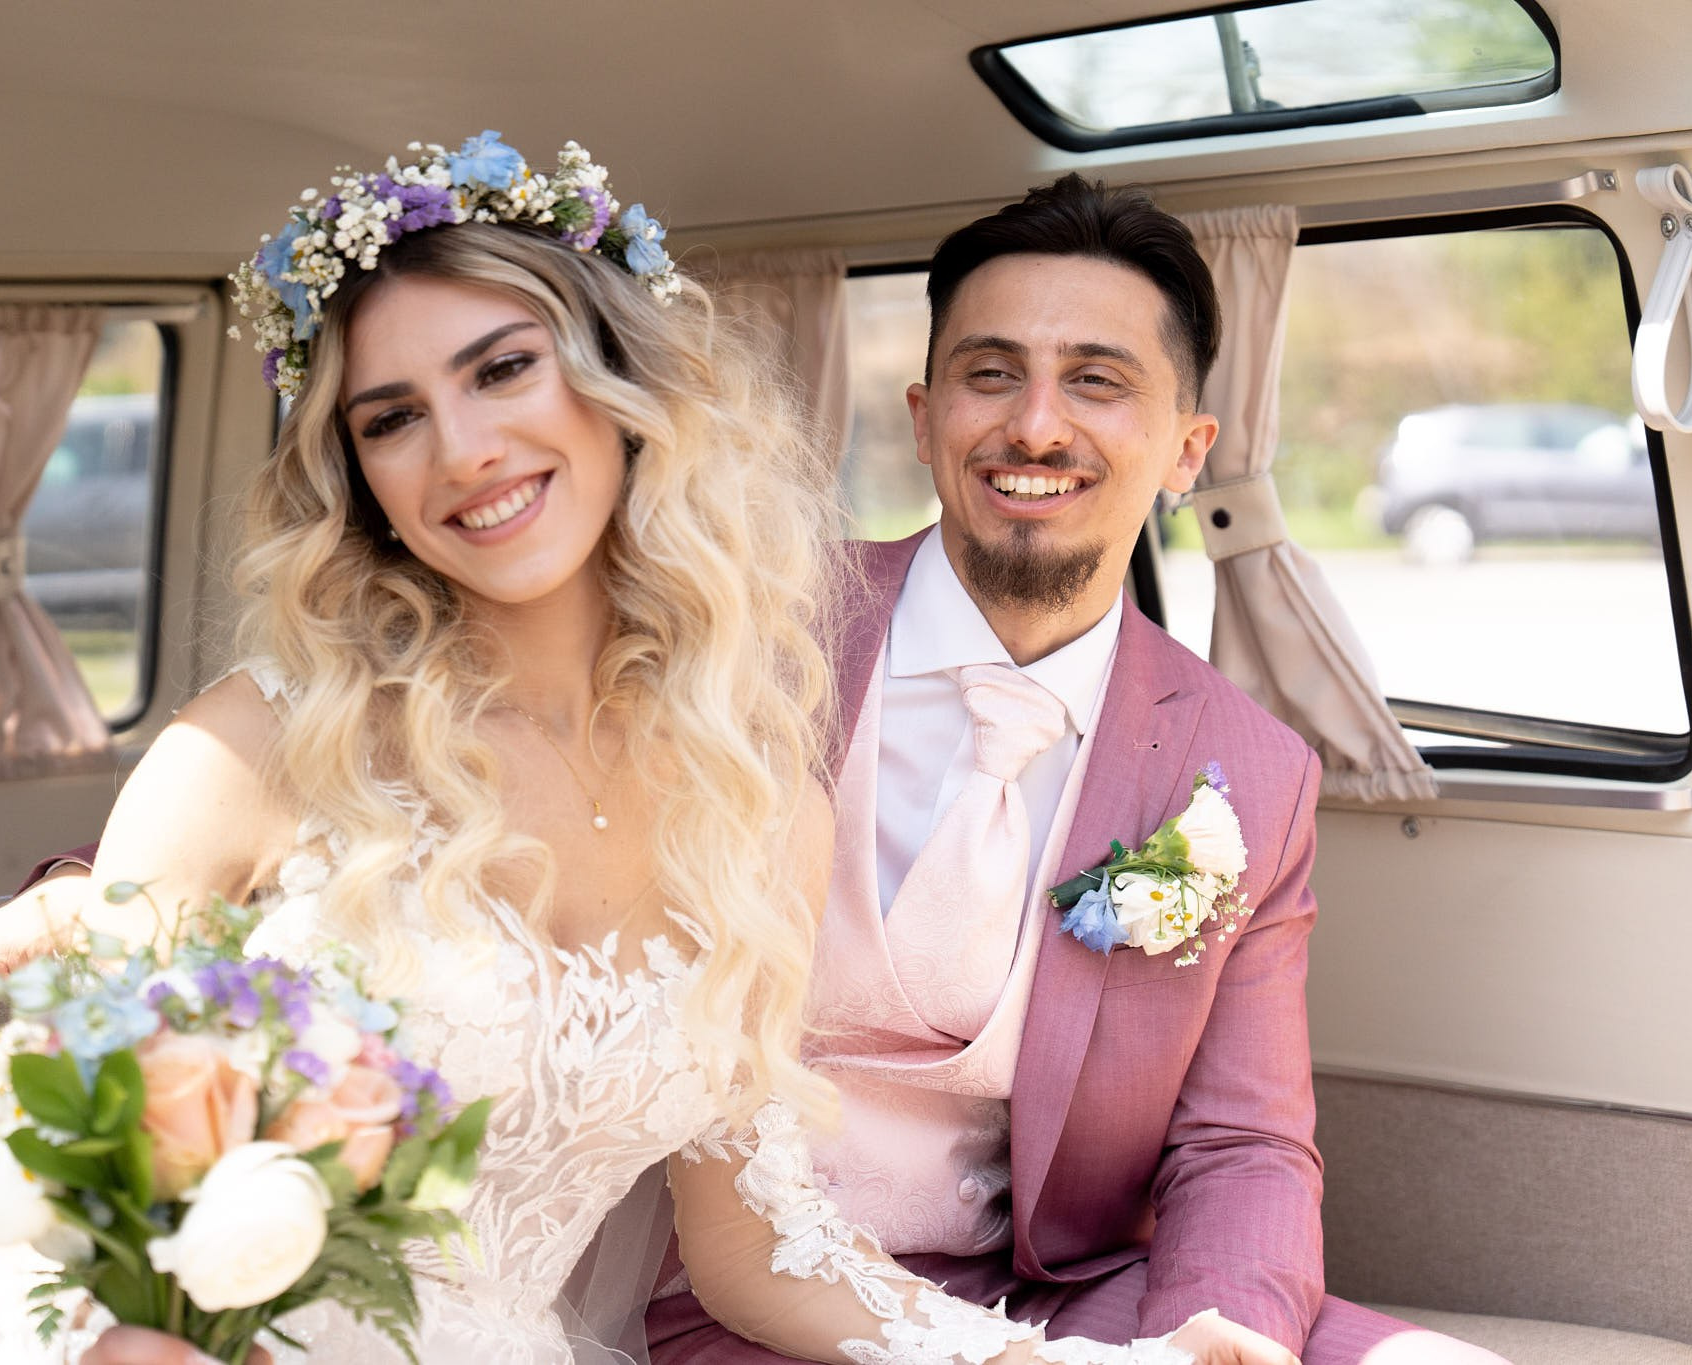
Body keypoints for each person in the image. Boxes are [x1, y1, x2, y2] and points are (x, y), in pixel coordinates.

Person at [0, 136, 1205, 1365]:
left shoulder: (752, 803)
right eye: (390, 419)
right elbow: (55, 1187)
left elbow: (755, 1247)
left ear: (620, 392)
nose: (463, 450)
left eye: (500, 371)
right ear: (358, 475)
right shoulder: (259, 743)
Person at [643, 176, 1506, 1365]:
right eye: (990, 373)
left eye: (1097, 381)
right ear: (922, 413)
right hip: (735, 1283)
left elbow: (1239, 1141)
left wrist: (1225, 1335)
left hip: (1043, 1289)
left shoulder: (1246, 772)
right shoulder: (745, 642)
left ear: (1184, 449)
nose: (1036, 427)